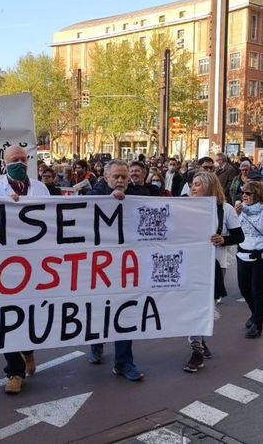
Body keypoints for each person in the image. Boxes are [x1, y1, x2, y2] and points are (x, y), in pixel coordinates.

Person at [0, 145, 49, 394]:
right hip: (5, 264)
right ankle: (14, 371)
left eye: (23, 159)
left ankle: (28, 351)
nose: (19, 163)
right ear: (4, 163)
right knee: (7, 316)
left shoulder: (40, 188)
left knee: (31, 313)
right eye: (14, 160)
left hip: (35, 262)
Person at [87, 159, 149, 381]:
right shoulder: (95, 194)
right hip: (99, 266)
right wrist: (107, 201)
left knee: (125, 311)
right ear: (106, 178)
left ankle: (124, 363)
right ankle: (96, 342)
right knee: (99, 309)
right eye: (117, 177)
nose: (122, 180)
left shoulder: (138, 194)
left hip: (127, 266)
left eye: (125, 176)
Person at [184, 172, 244, 373]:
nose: (193, 188)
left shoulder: (225, 210)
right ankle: (197, 351)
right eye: (192, 184)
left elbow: (239, 236)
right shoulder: (184, 206)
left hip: (213, 266)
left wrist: (223, 239)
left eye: (198, 184)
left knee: (203, 308)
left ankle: (198, 342)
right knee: (192, 308)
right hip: (188, 265)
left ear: (209, 187)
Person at [234, 181, 263, 338]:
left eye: (248, 193)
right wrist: (235, 213)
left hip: (261, 256)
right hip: (242, 255)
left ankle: (258, 324)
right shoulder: (241, 210)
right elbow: (232, 229)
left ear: (258, 194)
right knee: (244, 289)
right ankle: (256, 314)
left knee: (257, 290)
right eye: (243, 193)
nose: (244, 196)